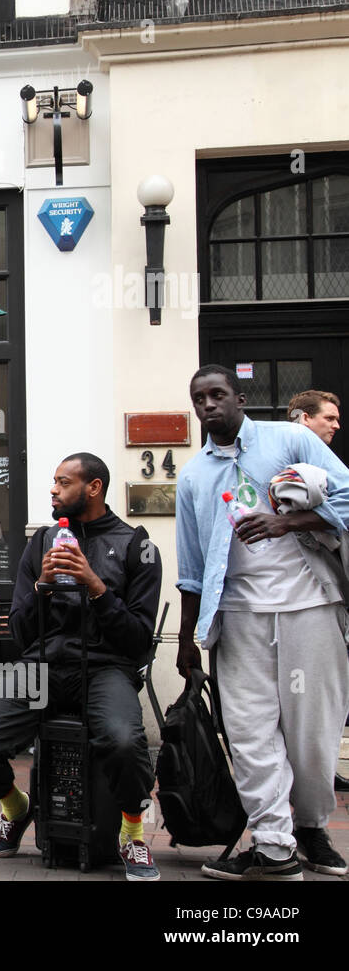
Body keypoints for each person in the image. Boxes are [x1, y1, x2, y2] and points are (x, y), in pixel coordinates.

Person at [177, 365, 349, 880]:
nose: (208, 405)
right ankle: (274, 843)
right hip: (238, 618)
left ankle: (312, 830)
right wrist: (185, 640)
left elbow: (347, 496)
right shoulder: (192, 476)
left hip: (310, 608)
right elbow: (189, 569)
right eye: (198, 398)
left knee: (312, 732)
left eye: (217, 395)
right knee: (250, 731)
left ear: (240, 398)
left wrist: (286, 520)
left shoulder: (291, 438)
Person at [0, 453, 163, 881]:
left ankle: (132, 833)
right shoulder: (41, 542)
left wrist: (97, 588)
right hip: (43, 667)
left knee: (125, 743)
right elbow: (18, 632)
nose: (53, 489)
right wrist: (43, 587)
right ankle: (16, 808)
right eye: (54, 481)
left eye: (63, 482)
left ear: (93, 488)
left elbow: (140, 641)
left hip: (105, 669)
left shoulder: (134, 545)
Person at [289, 388, 349, 792]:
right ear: (303, 419)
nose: (336, 424)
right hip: (303, 597)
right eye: (328, 417)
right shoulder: (290, 462)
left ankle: (321, 769)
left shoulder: (327, 465)